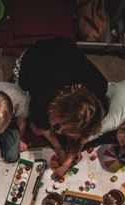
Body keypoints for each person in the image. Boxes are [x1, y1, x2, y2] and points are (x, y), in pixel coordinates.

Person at [14, 37, 107, 178]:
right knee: (36, 129)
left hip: (64, 47)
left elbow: (85, 130)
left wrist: (73, 149)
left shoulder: (101, 86)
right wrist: (59, 149)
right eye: (61, 128)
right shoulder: (43, 100)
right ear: (55, 110)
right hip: (35, 53)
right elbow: (42, 126)